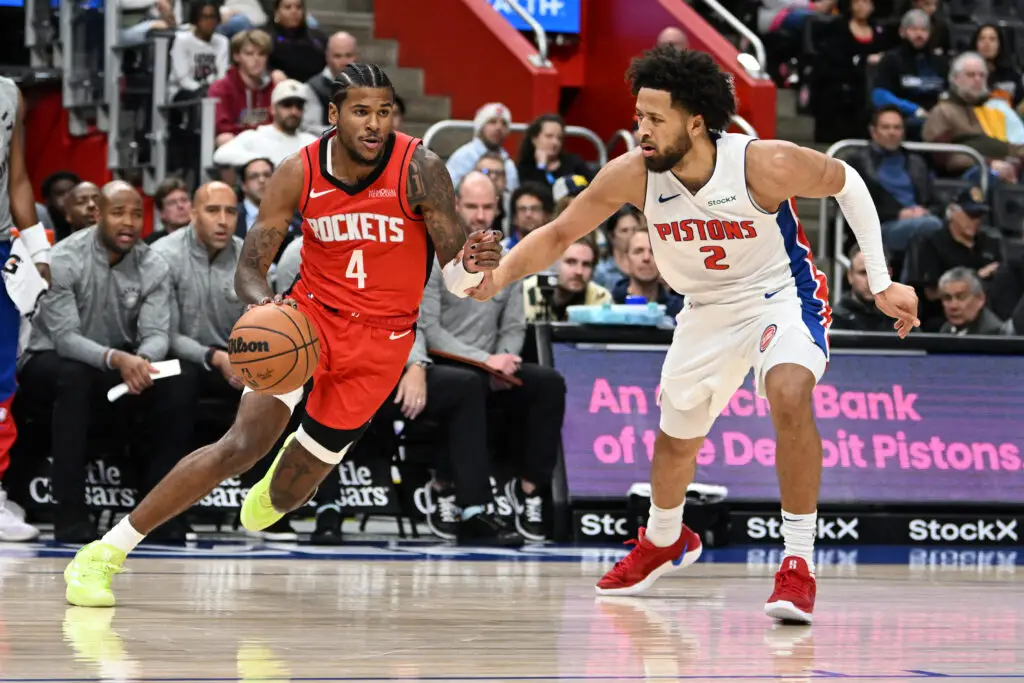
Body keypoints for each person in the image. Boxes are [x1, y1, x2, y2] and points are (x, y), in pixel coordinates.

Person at [468, 46, 919, 623]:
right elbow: (559, 234)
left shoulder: (763, 163)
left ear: (696, 122)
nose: (642, 130)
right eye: (639, 116)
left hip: (778, 296)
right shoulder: (634, 172)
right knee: (677, 441)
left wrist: (880, 281)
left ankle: (798, 562)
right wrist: (499, 276)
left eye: (655, 119)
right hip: (703, 310)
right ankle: (664, 539)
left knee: (788, 393)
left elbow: (846, 181)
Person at [63, 63, 503, 608]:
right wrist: (264, 304)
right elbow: (250, 268)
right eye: (361, 112)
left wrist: (474, 266)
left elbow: (458, 280)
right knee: (240, 446)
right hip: (307, 321)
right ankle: (104, 552)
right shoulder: (298, 170)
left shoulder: (422, 168)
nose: (374, 124)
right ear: (334, 114)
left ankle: (284, 478)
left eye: (384, 112)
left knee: (289, 495)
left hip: (382, 345)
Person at [0, 77, 49, 541]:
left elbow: (16, 178)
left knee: (1, 379)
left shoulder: (9, 93)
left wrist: (39, 250)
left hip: (1, 250)